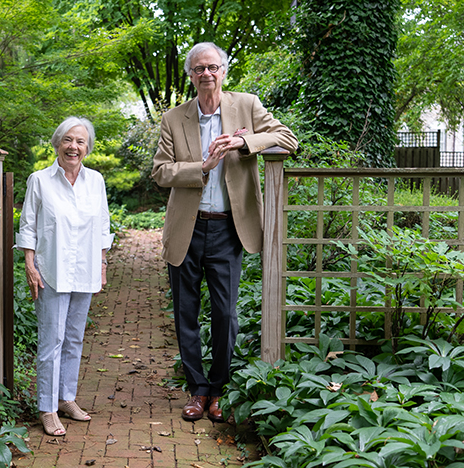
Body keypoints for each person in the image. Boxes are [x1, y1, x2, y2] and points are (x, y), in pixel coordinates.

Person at [151, 42, 298, 422]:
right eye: (198, 69)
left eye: (212, 67)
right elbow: (161, 172)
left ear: (223, 71)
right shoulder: (173, 118)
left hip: (229, 228)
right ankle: (197, 389)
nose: (206, 74)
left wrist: (243, 142)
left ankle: (218, 389)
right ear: (190, 75)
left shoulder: (246, 105)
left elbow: (286, 138)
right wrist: (201, 166)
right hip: (187, 227)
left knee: (225, 313)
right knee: (185, 312)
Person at [16, 117, 114, 436]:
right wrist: (30, 264)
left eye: (80, 142)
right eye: (68, 140)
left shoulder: (95, 181)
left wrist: (101, 262)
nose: (74, 147)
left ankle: (67, 398)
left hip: (84, 269)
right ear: (58, 143)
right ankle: (47, 407)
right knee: (51, 340)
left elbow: (102, 224)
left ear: (88, 148)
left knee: (73, 338)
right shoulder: (40, 180)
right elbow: (28, 225)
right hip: (51, 270)